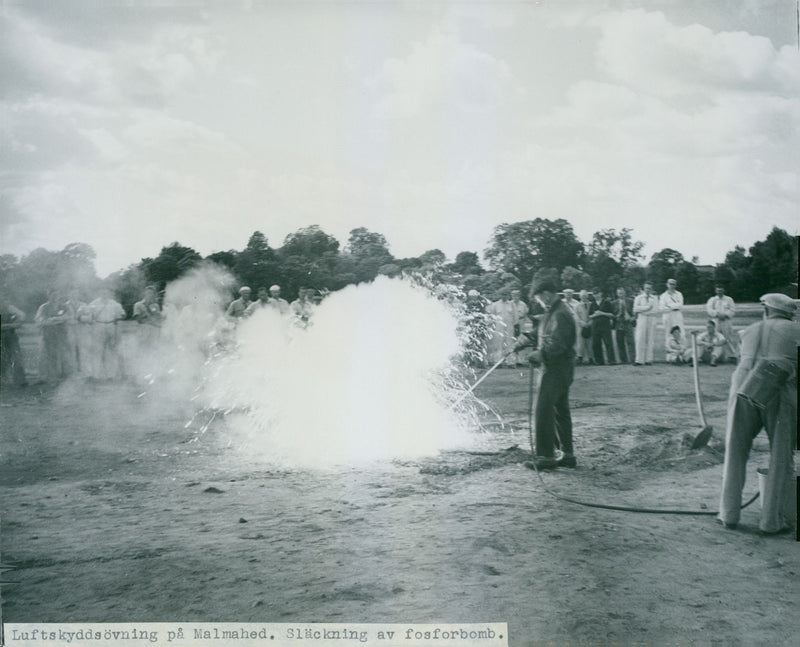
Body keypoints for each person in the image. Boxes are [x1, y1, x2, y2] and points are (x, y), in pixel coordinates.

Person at [718, 293, 800, 535]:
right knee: (780, 455)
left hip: (742, 387)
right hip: (776, 389)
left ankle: (728, 514)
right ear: (789, 313)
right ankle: (772, 521)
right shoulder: (796, 330)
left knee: (735, 450)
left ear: (766, 310)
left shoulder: (750, 330)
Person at [524, 279, 577, 470]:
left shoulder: (560, 314)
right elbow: (543, 331)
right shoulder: (554, 311)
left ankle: (545, 456)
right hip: (560, 369)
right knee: (559, 410)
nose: (539, 302)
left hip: (555, 368)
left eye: (538, 298)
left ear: (546, 294)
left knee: (543, 410)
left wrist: (540, 354)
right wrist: (523, 341)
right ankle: (567, 454)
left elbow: (557, 343)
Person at [88, 288, 126, 380]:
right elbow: (87, 314)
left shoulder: (114, 304)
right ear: (99, 292)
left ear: (109, 293)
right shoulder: (94, 303)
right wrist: (89, 319)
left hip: (111, 325)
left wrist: (120, 317)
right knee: (97, 351)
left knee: (110, 351)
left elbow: (123, 314)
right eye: (102, 292)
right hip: (98, 325)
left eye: (106, 292)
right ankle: (95, 375)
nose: (104, 293)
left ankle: (111, 375)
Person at [35, 289, 70, 382]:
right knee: (46, 354)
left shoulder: (63, 306)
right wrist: (53, 321)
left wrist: (56, 319)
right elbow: (40, 320)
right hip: (48, 334)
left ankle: (60, 375)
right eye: (53, 295)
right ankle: (45, 376)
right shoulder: (44, 307)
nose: (55, 297)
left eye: (57, 295)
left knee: (61, 354)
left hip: (61, 334)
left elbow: (67, 316)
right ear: (48, 296)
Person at [706, 285, 739, 360]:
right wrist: (717, 314)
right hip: (716, 321)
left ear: (724, 291)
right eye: (718, 291)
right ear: (715, 291)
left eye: (721, 291)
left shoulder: (729, 299)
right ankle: (716, 355)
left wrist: (725, 315)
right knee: (716, 337)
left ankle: (731, 355)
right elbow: (709, 309)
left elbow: (733, 310)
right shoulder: (712, 300)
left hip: (726, 321)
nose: (719, 292)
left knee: (728, 337)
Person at [1, 298, 28, 386]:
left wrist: (14, 324)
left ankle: (20, 380)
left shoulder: (10, 308)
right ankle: (3, 380)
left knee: (16, 356)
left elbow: (22, 316)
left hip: (10, 335)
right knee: (2, 358)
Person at [487, 288, 516, 367]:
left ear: (508, 295)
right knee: (498, 344)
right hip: (499, 327)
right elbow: (492, 316)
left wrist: (514, 325)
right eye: (502, 294)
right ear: (500, 295)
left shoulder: (511, 304)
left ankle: (510, 362)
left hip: (509, 327)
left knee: (509, 343)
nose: (504, 296)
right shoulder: (495, 304)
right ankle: (497, 362)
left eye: (506, 294)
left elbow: (515, 316)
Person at [633, 282, 659, 365]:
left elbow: (656, 310)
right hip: (642, 319)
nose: (648, 290)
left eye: (649, 288)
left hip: (652, 318)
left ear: (652, 289)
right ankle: (639, 360)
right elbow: (635, 309)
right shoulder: (639, 298)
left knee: (650, 339)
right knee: (640, 338)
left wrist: (643, 310)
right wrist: (647, 308)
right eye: (646, 288)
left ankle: (648, 359)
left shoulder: (655, 298)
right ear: (644, 289)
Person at [589, 288, 616, 365]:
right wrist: (595, 314)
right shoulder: (592, 304)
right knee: (596, 343)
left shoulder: (606, 302)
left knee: (608, 343)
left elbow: (612, 314)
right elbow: (590, 316)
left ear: (600, 293)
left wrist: (602, 313)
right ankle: (599, 361)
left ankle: (611, 360)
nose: (595, 296)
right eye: (594, 294)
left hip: (605, 325)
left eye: (597, 294)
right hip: (595, 325)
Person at [613, 287, 636, 365]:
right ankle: (623, 360)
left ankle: (633, 359)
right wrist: (617, 315)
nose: (621, 295)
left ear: (625, 293)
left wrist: (632, 318)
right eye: (619, 293)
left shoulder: (630, 301)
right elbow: (612, 315)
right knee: (620, 342)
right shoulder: (614, 303)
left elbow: (635, 312)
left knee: (631, 342)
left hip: (628, 323)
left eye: (622, 293)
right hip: (619, 323)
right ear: (617, 294)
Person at [660, 278, 685, 346]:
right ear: (667, 284)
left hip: (677, 314)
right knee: (668, 333)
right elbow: (662, 308)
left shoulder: (679, 294)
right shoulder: (663, 296)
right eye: (670, 284)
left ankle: (681, 349)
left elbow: (680, 305)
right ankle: (669, 351)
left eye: (674, 284)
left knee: (680, 332)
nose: (672, 286)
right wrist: (674, 306)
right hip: (667, 316)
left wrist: (669, 306)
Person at [574, 290, 594, 364]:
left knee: (590, 343)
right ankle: (580, 358)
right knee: (580, 343)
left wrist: (590, 323)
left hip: (590, 326)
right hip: (581, 327)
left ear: (587, 296)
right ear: (580, 297)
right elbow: (576, 316)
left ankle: (591, 358)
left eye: (585, 296)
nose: (584, 297)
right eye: (582, 296)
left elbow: (593, 315)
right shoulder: (577, 306)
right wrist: (581, 323)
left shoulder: (591, 305)